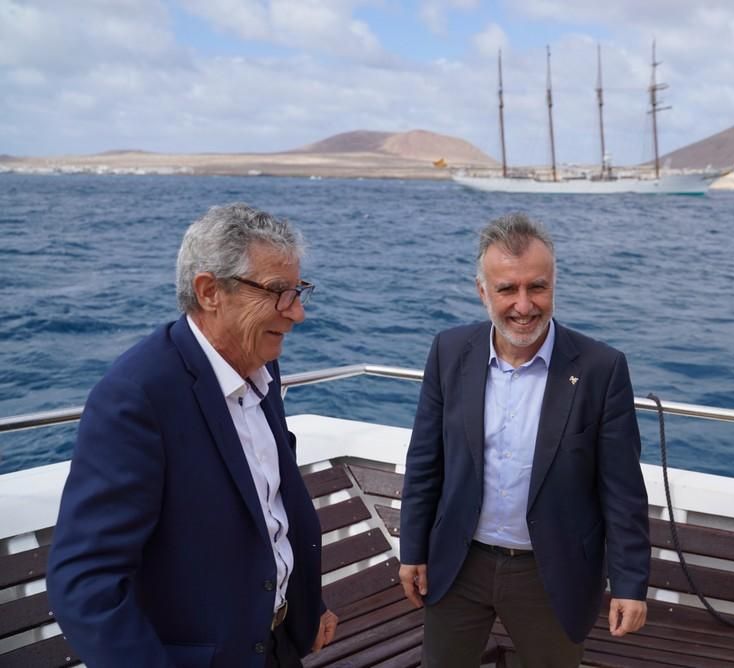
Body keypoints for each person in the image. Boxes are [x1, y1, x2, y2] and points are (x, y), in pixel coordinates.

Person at [47, 203, 338, 668]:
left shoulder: (260, 365)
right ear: (209, 292)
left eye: (299, 291)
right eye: (279, 292)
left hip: (280, 644)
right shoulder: (137, 396)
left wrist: (305, 604)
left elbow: (270, 506)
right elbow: (85, 582)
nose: (297, 313)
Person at [399, 213, 651, 666]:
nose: (523, 304)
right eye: (506, 289)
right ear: (482, 292)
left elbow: (622, 489)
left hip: (551, 573)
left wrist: (630, 584)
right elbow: (425, 461)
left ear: (554, 285)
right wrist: (412, 550)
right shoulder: (449, 351)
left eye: (537, 287)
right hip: (459, 565)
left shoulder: (601, 369)